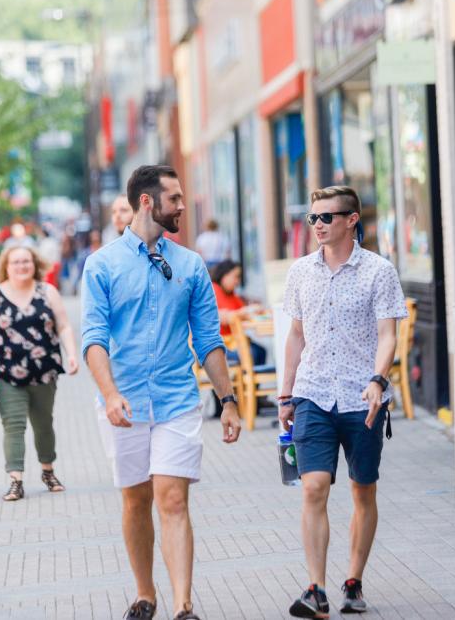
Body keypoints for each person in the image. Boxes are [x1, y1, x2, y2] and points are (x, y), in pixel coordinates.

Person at [81, 164, 242, 620]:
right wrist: (109, 393)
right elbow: (93, 338)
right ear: (148, 201)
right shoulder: (102, 265)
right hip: (124, 402)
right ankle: (145, 591)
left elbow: (209, 339)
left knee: (173, 497)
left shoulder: (191, 265)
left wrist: (228, 401)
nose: (182, 206)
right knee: (136, 499)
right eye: (175, 198)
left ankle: (184, 606)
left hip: (176, 398)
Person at [278, 186, 407, 617]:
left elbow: (389, 334)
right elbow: (296, 335)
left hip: (362, 396)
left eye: (326, 217)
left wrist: (378, 379)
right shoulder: (300, 272)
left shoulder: (379, 271)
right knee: (313, 486)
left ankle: (353, 578)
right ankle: (315, 589)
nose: (317, 225)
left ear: (352, 219)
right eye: (313, 217)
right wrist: (286, 392)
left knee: (362, 488)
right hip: (313, 393)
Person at [0, 244, 79, 501]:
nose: (22, 266)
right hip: (7, 374)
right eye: (16, 262)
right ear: (5, 267)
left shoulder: (47, 292)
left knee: (44, 424)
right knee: (13, 425)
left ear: (36, 264)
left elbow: (63, 326)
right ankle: (16, 479)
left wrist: (73, 354)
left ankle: (48, 470)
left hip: (44, 372)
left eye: (26, 262)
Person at [209, 260, 266, 416]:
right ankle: (248, 400)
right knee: (252, 354)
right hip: (221, 345)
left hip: (234, 343)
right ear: (224, 276)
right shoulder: (213, 291)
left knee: (260, 351)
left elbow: (240, 311)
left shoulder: (231, 294)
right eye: (235, 276)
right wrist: (246, 311)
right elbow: (222, 317)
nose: (237, 281)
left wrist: (252, 311)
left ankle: (254, 395)